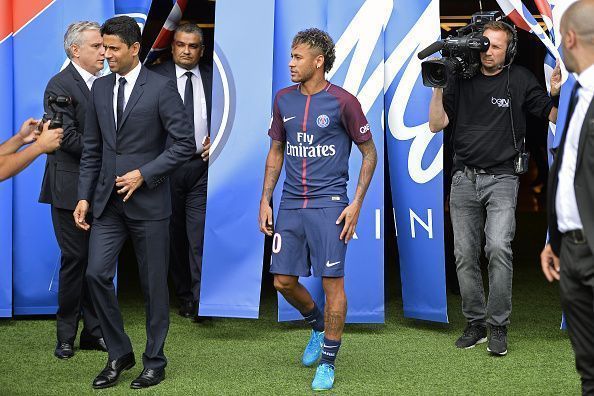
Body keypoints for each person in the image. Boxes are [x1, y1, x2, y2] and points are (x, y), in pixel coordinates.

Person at [74, 16, 195, 389]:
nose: (105, 55)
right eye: (102, 48)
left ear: (134, 49)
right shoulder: (99, 88)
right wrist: (83, 196)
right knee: (95, 274)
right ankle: (119, 352)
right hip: (107, 204)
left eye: (112, 48)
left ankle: (154, 361)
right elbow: (93, 149)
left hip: (150, 204)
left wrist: (145, 173)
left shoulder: (160, 88)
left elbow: (184, 145)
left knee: (153, 286)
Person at [428, 20, 560, 356]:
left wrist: (558, 92)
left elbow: (552, 114)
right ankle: (475, 323)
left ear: (509, 51)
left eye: (496, 46)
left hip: (502, 178)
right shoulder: (462, 78)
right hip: (463, 179)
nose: (488, 51)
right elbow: (436, 124)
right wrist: (438, 84)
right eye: (484, 43)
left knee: (499, 247)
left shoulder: (519, 80)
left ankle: (498, 325)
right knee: (464, 255)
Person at [259, 28, 377, 391]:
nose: (291, 63)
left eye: (297, 57)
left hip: (330, 204)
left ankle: (328, 361)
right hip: (291, 202)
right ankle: (315, 327)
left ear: (318, 61)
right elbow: (277, 151)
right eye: (291, 56)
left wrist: (356, 202)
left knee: (332, 284)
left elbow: (369, 153)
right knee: (282, 281)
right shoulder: (283, 99)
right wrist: (265, 199)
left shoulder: (344, 101)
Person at [39, 21, 107, 360]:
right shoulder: (59, 85)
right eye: (96, 46)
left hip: (101, 189)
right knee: (75, 260)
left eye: (105, 46)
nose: (104, 52)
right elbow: (65, 138)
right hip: (67, 189)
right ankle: (65, 334)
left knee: (97, 264)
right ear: (75, 50)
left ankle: (94, 333)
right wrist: (112, 155)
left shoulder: (108, 84)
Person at [540, 1, 594, 393]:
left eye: (559, 37)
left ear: (570, 38)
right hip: (572, 249)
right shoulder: (575, 94)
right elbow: (568, 168)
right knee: (588, 365)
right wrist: (555, 238)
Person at [150, 23, 212, 321]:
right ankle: (185, 295)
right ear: (172, 46)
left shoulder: (216, 78)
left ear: (201, 49)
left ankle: (202, 300)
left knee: (199, 235)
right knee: (173, 235)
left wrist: (222, 139)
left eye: (193, 46)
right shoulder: (154, 77)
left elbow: (234, 115)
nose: (186, 51)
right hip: (166, 168)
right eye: (180, 45)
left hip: (203, 167)